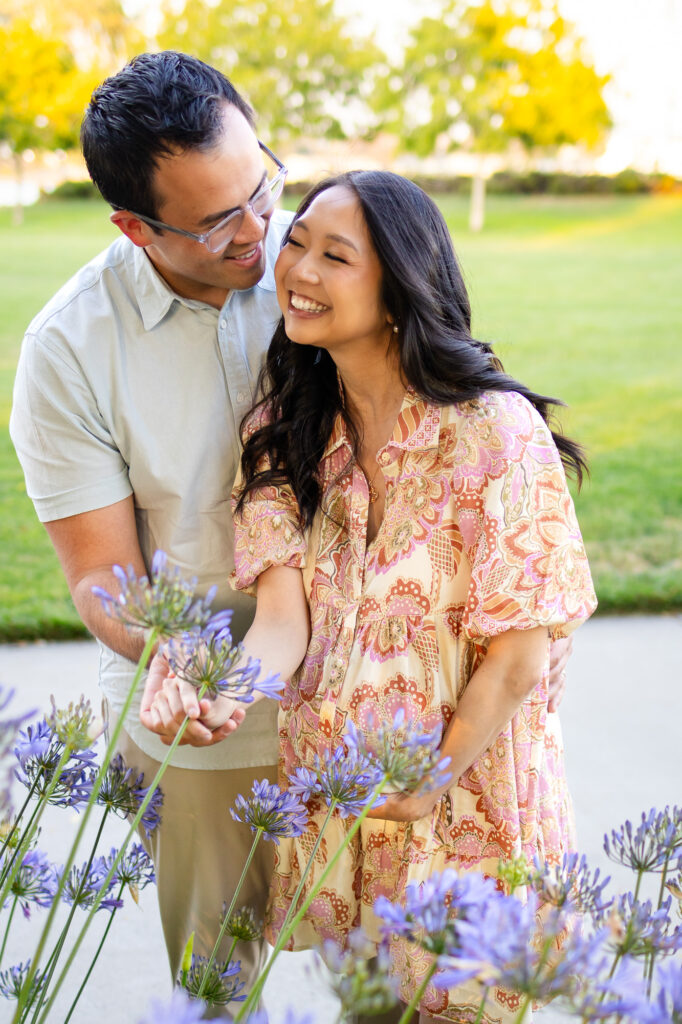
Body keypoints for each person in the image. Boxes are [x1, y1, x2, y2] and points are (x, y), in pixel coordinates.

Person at [159, 170, 596, 1022]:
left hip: (467, 795)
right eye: (298, 243)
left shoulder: (493, 433)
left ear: (398, 288)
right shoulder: (283, 426)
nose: (299, 270)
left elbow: (519, 655)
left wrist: (435, 774)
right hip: (346, 800)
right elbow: (284, 620)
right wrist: (223, 693)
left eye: (336, 255)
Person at [9, 51, 293, 1012]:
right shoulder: (67, 349)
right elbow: (99, 574)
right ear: (135, 227)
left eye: (262, 187)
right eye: (219, 220)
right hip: (199, 720)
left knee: (417, 975)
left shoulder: (327, 263)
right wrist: (173, 654)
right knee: (221, 994)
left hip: (366, 684)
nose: (259, 231)